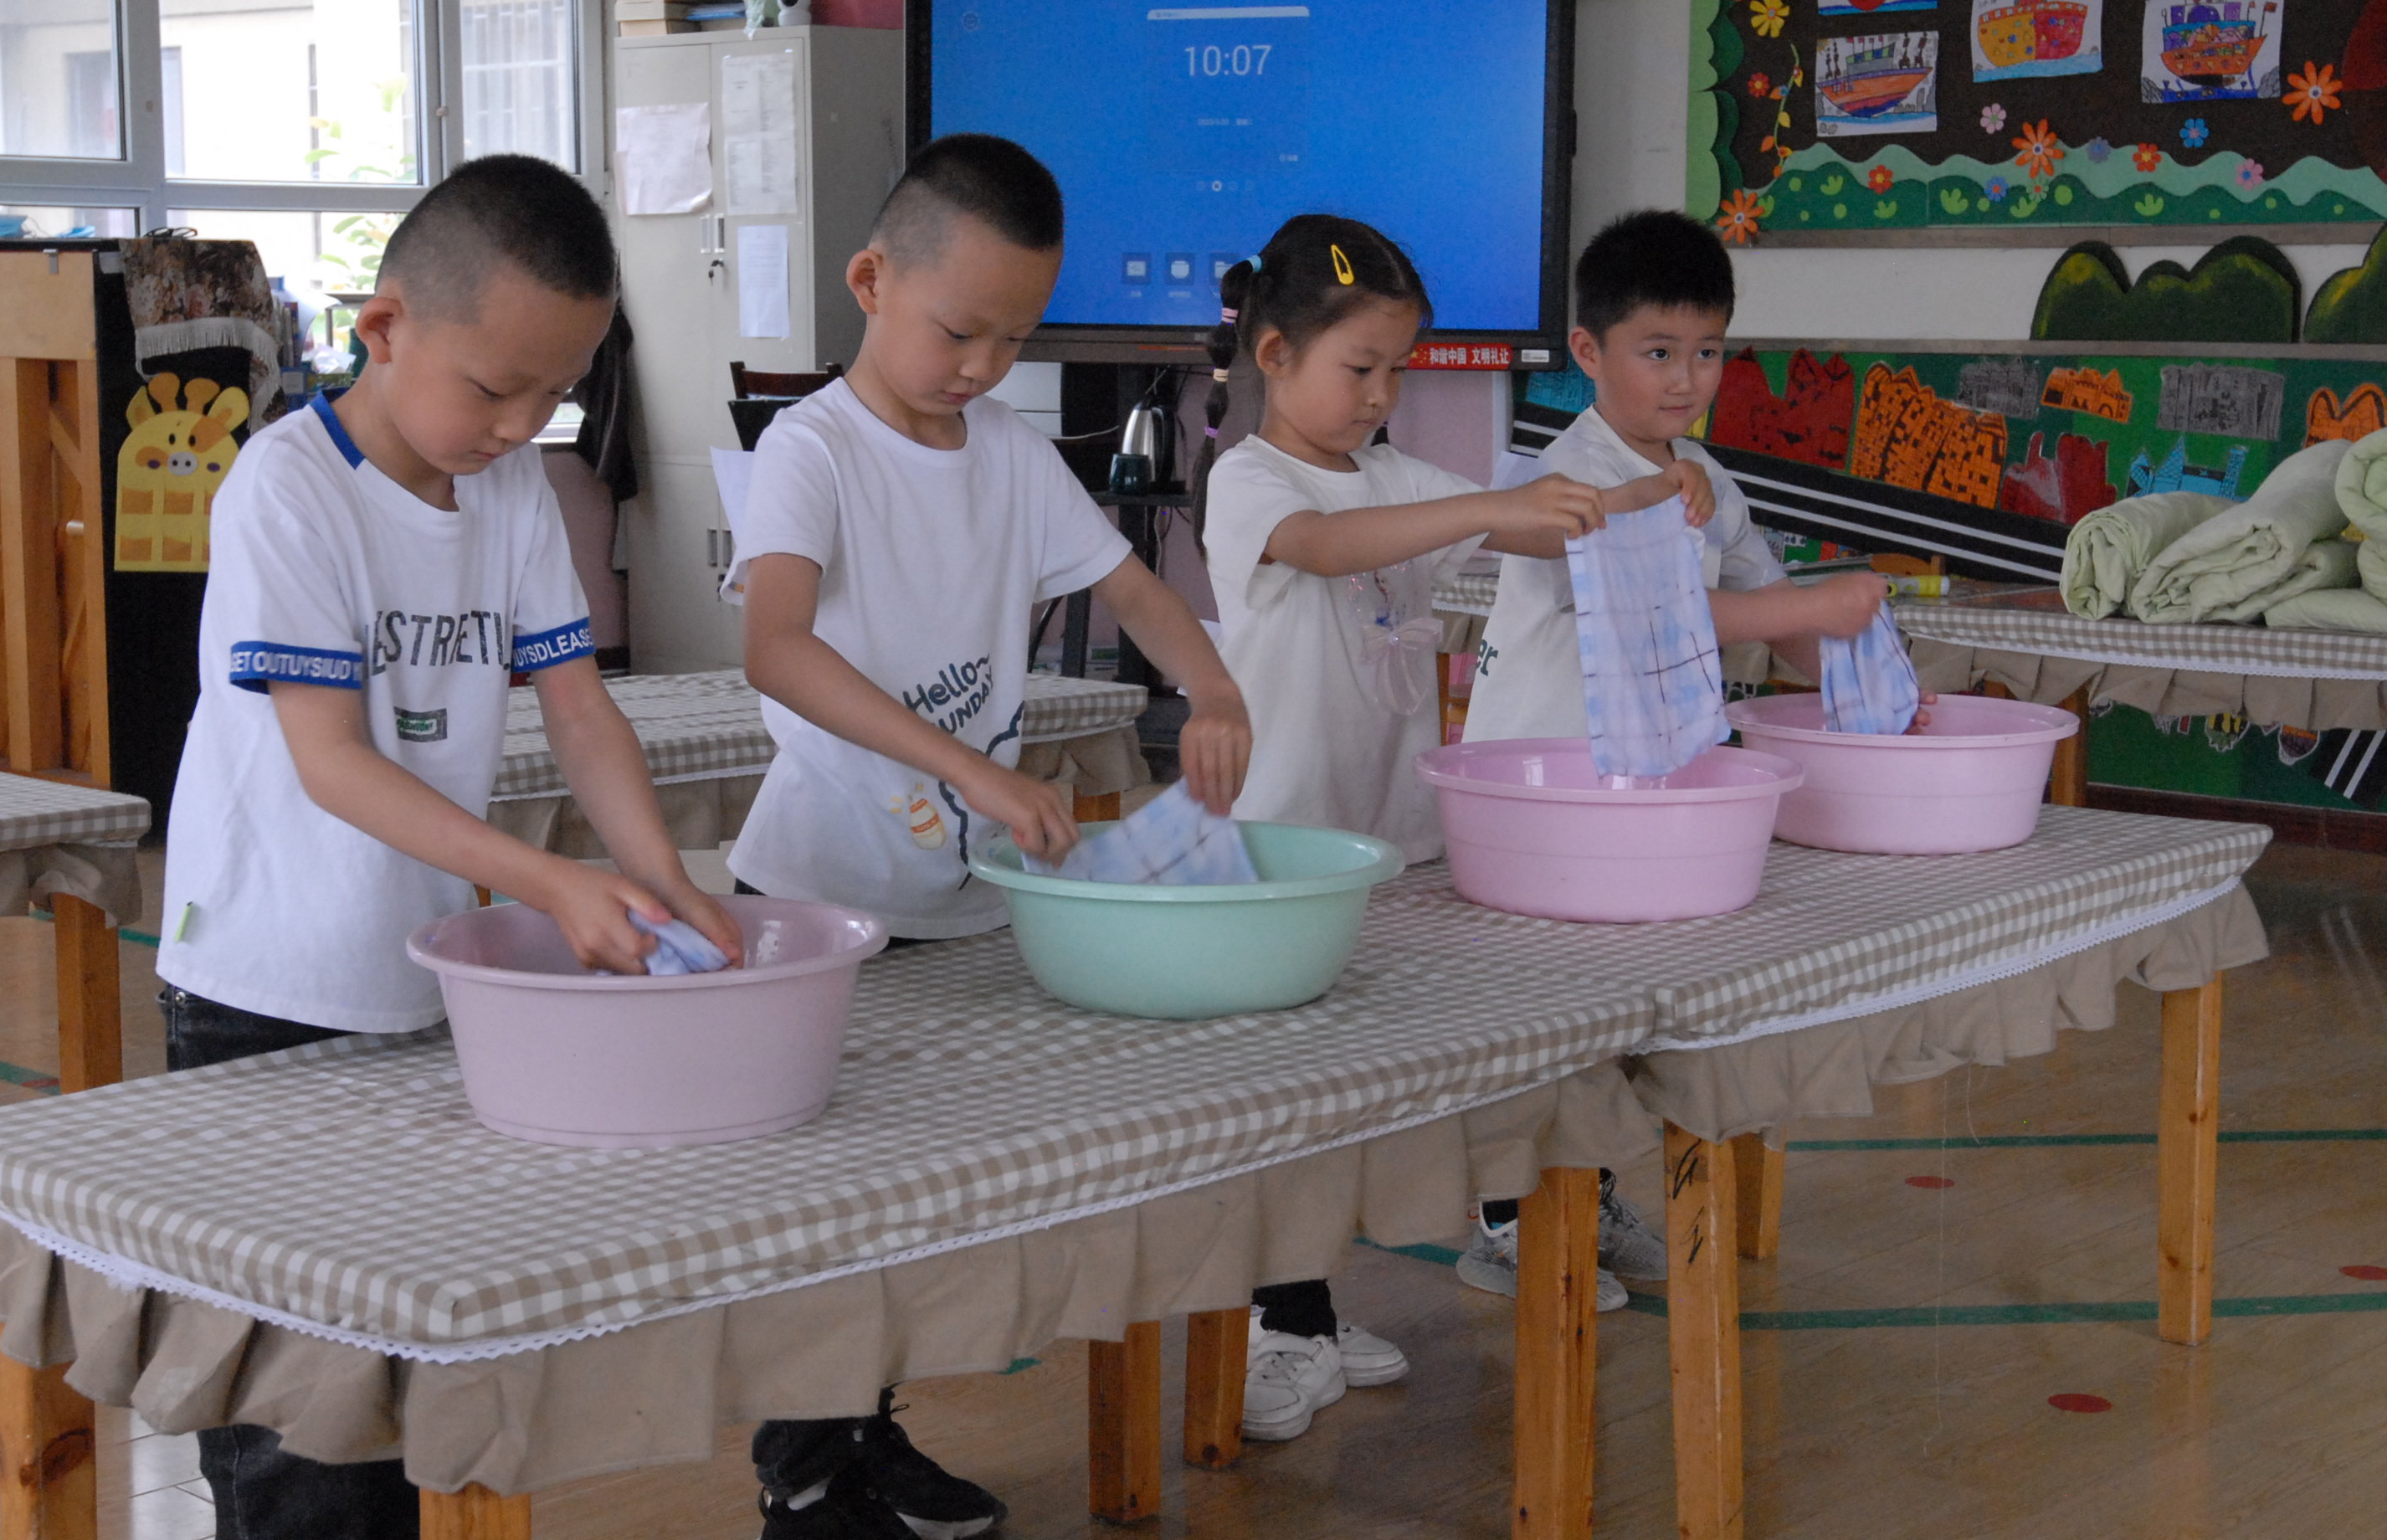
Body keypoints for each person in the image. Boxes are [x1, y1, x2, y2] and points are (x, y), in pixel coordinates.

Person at [156, 152, 742, 1540]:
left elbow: (583, 711)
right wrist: (546, 880)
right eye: (494, 390)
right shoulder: (287, 493)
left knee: (404, 1355)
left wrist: (659, 876)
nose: (522, 424)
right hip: (262, 993)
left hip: (421, 985)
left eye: (558, 395)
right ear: (385, 326)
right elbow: (331, 760)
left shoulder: (515, 493)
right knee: (297, 1404)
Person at [726, 133, 1251, 1538]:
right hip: (823, 888)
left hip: (955, 898)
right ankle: (804, 1467)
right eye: (959, 330)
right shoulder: (813, 448)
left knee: (912, 1199)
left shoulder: (1012, 456)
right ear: (869, 279)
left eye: (1011, 341)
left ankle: (868, 1434)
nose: (979, 366)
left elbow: (1137, 591)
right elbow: (776, 647)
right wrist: (966, 759)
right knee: (820, 1206)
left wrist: (1212, 685)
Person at [1192, 213, 1706, 1445]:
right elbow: (1327, 546)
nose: (1379, 397)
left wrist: (1642, 491)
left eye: (1396, 373)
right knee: (1285, 1102)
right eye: (1356, 369)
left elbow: (1526, 513)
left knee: (1369, 1092)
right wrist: (1487, 507)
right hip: (1280, 853)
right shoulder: (1250, 481)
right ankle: (1283, 1328)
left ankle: (1324, 1307)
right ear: (1273, 356)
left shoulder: (1391, 475)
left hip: (1393, 846)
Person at [1459, 207, 1892, 1311]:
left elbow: (1766, 609)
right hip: (1544, 795)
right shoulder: (1565, 481)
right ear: (1589, 353)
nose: (1686, 379)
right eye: (1659, 352)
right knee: (1545, 1013)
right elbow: (1668, 614)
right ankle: (1512, 1221)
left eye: (1708, 353)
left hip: (1646, 794)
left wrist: (1854, 656)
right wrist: (1815, 605)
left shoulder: (1708, 476)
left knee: (1621, 1008)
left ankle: (1586, 1194)